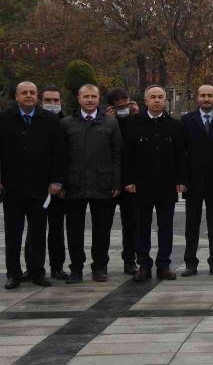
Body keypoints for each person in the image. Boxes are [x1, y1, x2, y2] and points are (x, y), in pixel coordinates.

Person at [0, 82, 65, 289]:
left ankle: (37, 271)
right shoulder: (4, 119)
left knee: (38, 232)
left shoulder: (49, 120)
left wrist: (56, 180)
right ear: (16, 96)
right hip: (12, 187)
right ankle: (13, 274)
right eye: (24, 93)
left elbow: (58, 154)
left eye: (32, 93)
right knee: (13, 233)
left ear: (37, 96)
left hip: (40, 188)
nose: (28, 96)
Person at [123, 85, 186, 281]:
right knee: (142, 226)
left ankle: (164, 265)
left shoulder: (173, 124)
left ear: (165, 100)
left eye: (160, 97)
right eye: (153, 97)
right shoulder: (134, 123)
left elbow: (180, 155)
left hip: (167, 184)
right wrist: (128, 180)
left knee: (166, 227)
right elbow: (127, 154)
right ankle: (143, 264)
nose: (157, 100)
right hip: (141, 184)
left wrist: (181, 180)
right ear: (146, 100)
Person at [61, 84, 123, 283]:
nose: (89, 100)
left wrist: (116, 182)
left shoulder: (111, 123)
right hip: (74, 184)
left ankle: (99, 267)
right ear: (79, 99)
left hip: (103, 184)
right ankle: (76, 268)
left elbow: (117, 155)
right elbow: (59, 157)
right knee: (74, 230)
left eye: (93, 96)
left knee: (102, 230)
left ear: (99, 99)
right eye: (86, 96)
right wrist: (61, 183)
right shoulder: (66, 123)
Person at [180, 84, 213, 277]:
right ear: (197, 98)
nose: (206, 99)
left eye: (210, 96)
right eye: (203, 95)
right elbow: (181, 153)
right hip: (193, 181)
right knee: (191, 225)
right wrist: (182, 180)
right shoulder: (186, 120)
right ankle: (190, 263)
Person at [21, 85, 68, 281]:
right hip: (37, 185)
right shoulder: (33, 121)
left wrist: (62, 183)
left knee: (57, 228)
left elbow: (66, 155)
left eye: (56, 100)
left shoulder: (66, 122)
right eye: (48, 100)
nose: (52, 104)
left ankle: (57, 267)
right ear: (41, 101)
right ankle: (32, 267)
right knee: (34, 229)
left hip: (59, 186)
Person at [105, 88, 139, 274]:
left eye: (127, 105)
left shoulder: (134, 120)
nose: (125, 109)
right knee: (103, 225)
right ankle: (101, 263)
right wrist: (110, 120)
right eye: (121, 107)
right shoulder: (105, 122)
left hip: (129, 181)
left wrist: (135, 116)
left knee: (131, 224)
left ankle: (130, 260)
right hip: (109, 181)